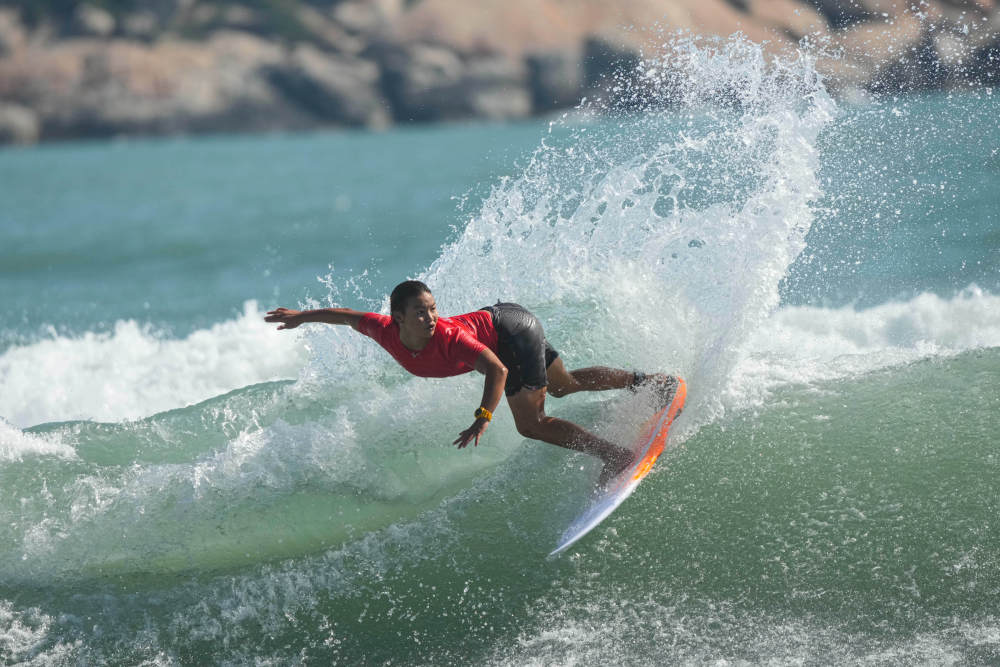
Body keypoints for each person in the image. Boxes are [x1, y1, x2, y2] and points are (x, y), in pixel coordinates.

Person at [265, 280, 675, 487]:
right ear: (398, 318)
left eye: (433, 309)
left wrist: (483, 416)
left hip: (511, 332)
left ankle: (614, 455)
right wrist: (302, 317)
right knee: (563, 384)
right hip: (509, 320)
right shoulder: (382, 329)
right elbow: (345, 316)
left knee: (531, 424)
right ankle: (649, 383)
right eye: (420, 312)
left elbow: (497, 370)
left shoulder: (450, 338)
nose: (430, 317)